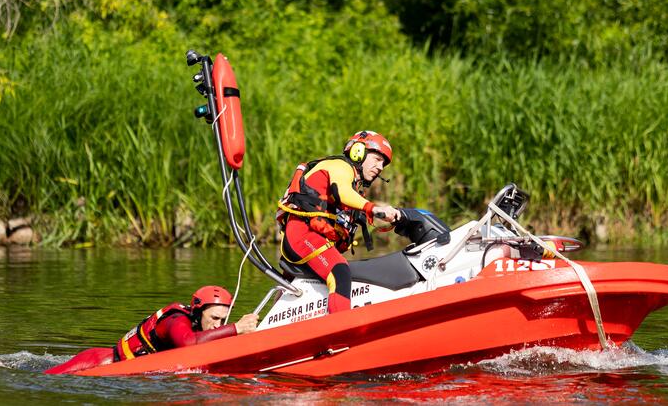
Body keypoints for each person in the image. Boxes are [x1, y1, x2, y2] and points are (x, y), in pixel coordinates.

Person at [276, 130, 401, 314]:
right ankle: (340, 333)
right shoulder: (339, 166)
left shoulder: (354, 186)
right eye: (377, 159)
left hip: (313, 240)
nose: (380, 167)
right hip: (303, 237)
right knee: (340, 272)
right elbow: (342, 191)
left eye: (384, 163)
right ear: (358, 151)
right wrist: (372, 208)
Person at [45, 285, 258, 374]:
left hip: (118, 366)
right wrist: (236, 328)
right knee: (48, 378)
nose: (217, 325)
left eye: (223, 320)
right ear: (197, 312)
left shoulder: (199, 325)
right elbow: (187, 342)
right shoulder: (176, 321)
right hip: (100, 363)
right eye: (213, 318)